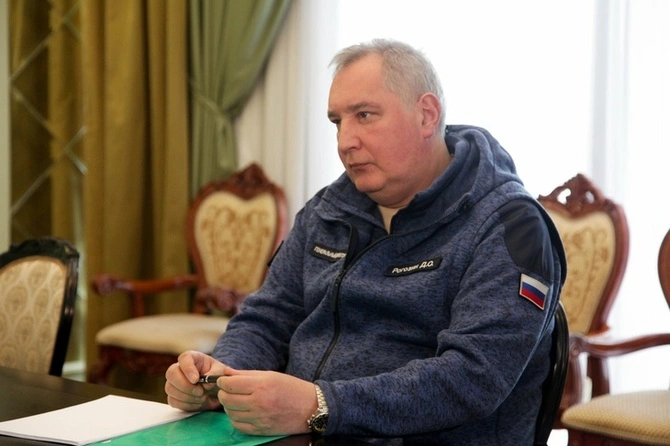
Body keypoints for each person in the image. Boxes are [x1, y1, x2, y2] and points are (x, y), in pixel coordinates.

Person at [165, 38, 566, 445]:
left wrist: (320, 405)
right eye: (337, 122)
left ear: (426, 115)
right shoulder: (327, 211)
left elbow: (472, 378)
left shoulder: (510, 226)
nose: (345, 142)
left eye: (365, 115)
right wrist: (220, 375)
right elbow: (267, 318)